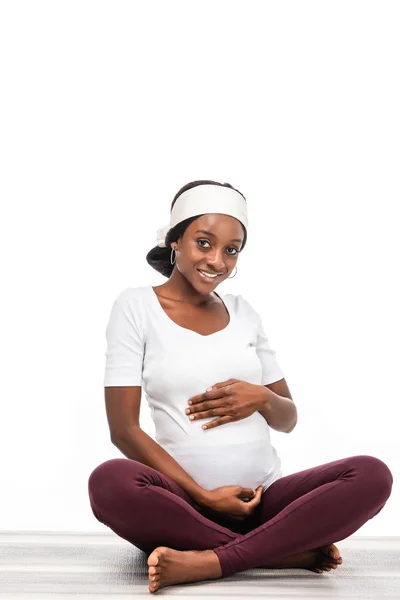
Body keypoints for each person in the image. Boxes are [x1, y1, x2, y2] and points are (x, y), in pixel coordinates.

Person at [88, 179, 393, 594]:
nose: (217, 260)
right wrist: (202, 495)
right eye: (203, 242)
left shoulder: (244, 313)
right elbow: (123, 429)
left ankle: (210, 560)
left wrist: (263, 398)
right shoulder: (136, 307)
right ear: (175, 241)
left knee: (372, 474)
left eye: (231, 250)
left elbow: (288, 419)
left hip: (266, 501)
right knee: (109, 482)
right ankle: (280, 553)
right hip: (181, 504)